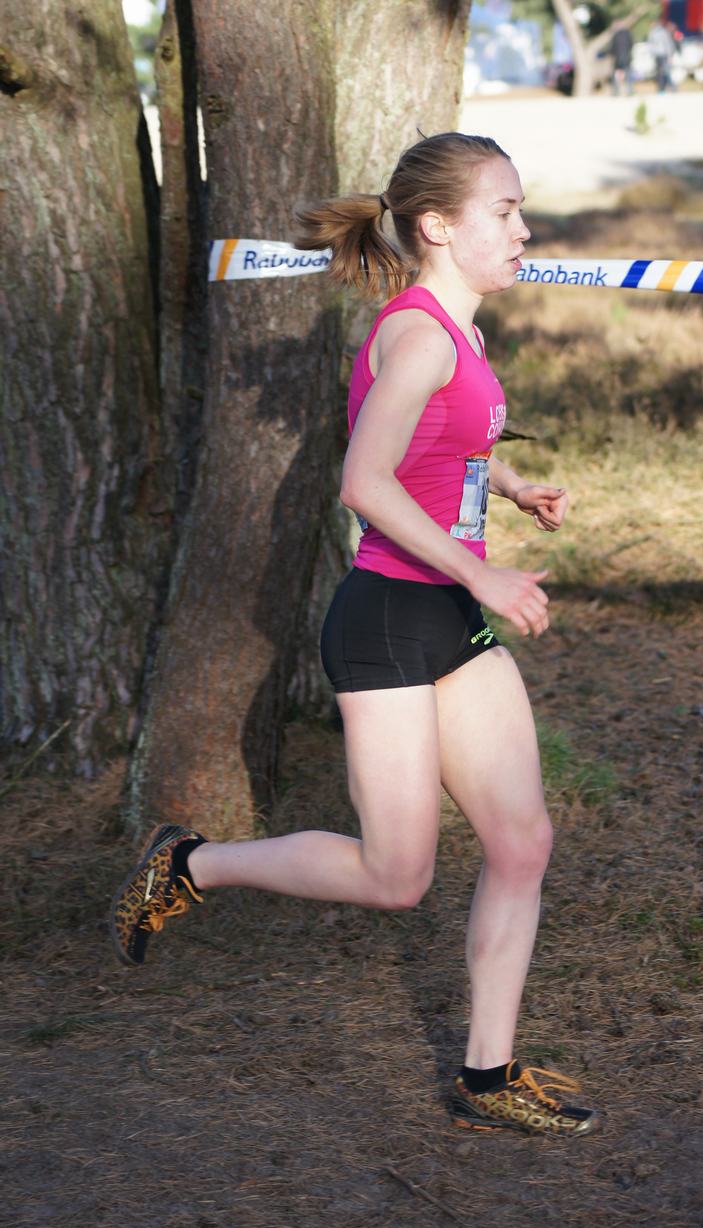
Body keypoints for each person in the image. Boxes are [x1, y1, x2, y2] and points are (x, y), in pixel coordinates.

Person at [109, 132, 600, 1138]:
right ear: (438, 227)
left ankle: (487, 1074)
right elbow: (364, 482)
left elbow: (444, 440)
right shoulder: (420, 336)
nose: (523, 230)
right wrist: (482, 571)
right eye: (504, 211)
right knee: (396, 876)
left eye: (518, 210)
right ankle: (190, 863)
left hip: (447, 618)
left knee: (521, 841)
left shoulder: (455, 333)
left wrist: (510, 486)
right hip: (385, 622)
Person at [647, 17, 677, 93]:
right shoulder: (660, 32)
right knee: (662, 72)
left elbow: (667, 44)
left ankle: (669, 87)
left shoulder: (656, 32)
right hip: (661, 54)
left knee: (663, 72)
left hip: (661, 55)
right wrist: (670, 55)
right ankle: (663, 88)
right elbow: (668, 44)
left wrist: (669, 55)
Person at [608, 20, 634, 96]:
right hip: (626, 56)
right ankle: (630, 91)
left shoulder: (615, 35)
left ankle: (616, 91)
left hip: (618, 58)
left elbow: (613, 47)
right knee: (628, 74)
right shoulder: (628, 34)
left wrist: (612, 55)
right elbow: (631, 44)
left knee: (616, 74)